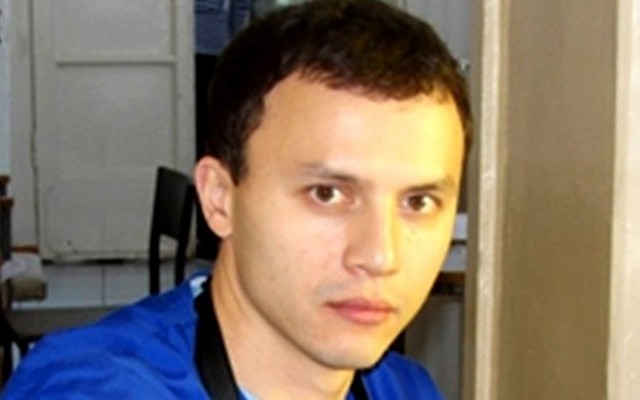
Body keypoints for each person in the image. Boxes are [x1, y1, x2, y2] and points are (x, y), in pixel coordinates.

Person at [2, 0, 471, 398]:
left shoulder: (405, 388)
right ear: (219, 199)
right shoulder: (91, 389)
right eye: (327, 194)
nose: (381, 256)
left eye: (419, 202)